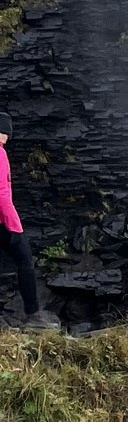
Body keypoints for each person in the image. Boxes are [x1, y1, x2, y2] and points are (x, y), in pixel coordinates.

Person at [0, 110, 48, 328]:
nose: (6, 137)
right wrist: (14, 225)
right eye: (5, 131)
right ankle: (34, 316)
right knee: (25, 260)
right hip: (3, 222)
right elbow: (2, 193)